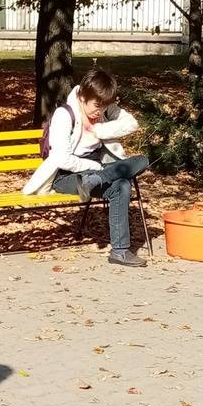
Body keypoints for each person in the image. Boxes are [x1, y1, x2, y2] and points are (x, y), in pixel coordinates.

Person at [22, 67, 151, 267]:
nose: (100, 111)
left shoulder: (103, 109)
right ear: (82, 97)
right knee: (122, 184)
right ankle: (120, 249)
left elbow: (132, 123)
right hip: (67, 176)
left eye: (104, 106)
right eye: (97, 105)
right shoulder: (64, 115)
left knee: (142, 160)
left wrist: (100, 129)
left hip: (97, 172)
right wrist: (95, 166)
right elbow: (62, 159)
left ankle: (119, 252)